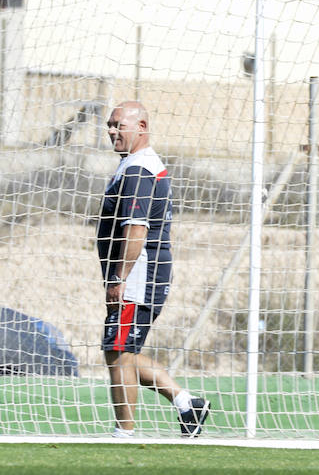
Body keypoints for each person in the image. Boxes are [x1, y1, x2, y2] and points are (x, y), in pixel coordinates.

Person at [98, 101, 210, 438]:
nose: (112, 131)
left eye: (119, 125)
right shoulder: (132, 165)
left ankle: (125, 434)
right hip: (136, 276)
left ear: (142, 126)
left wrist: (119, 277)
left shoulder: (139, 170)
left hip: (138, 277)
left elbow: (136, 228)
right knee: (121, 350)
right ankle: (187, 403)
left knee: (118, 351)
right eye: (110, 125)